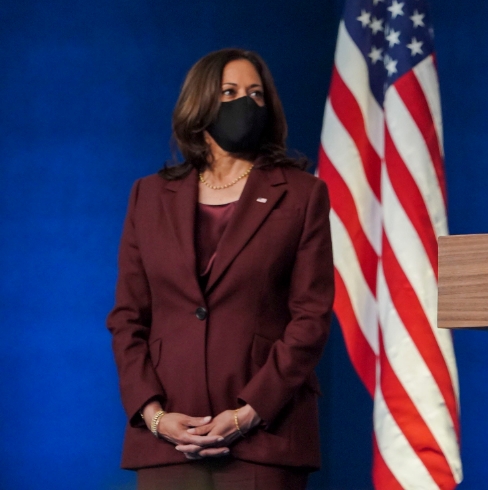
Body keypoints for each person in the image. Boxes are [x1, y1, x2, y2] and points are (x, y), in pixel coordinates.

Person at [107, 49, 334, 489]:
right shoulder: (149, 196)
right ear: (200, 104)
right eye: (229, 92)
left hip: (265, 439)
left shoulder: (303, 195)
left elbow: (311, 317)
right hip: (167, 441)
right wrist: (154, 416)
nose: (244, 103)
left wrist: (250, 412)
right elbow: (127, 318)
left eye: (255, 94)